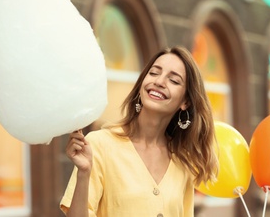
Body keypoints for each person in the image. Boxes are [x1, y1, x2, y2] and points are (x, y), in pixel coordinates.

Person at [60, 46, 219, 217]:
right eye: (154, 73)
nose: (159, 82)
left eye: (173, 80)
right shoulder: (100, 144)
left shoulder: (183, 160)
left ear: (186, 101)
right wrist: (84, 173)